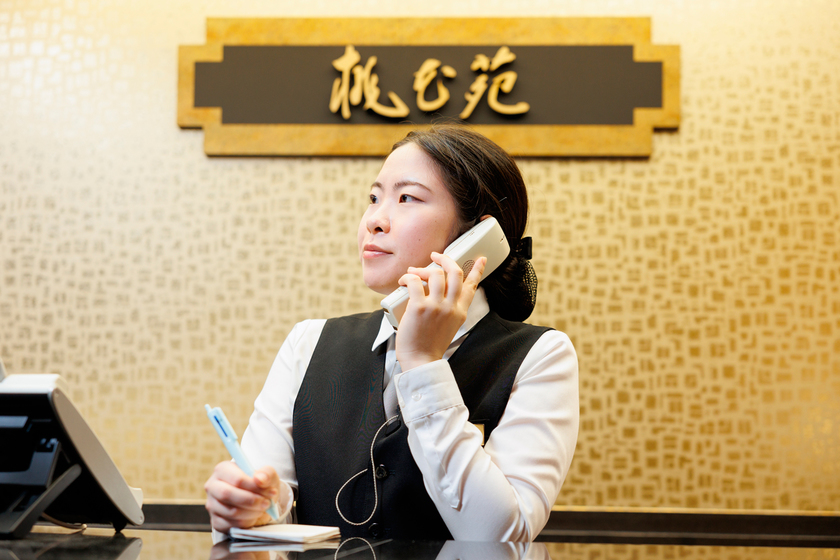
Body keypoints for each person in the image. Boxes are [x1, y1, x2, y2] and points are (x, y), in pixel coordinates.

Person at [204, 124, 579, 542]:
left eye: (407, 198)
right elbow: (268, 510)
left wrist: (423, 364)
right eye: (373, 198)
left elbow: (500, 536)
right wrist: (251, 508)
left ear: (478, 237)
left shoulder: (541, 356)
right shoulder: (307, 343)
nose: (375, 220)